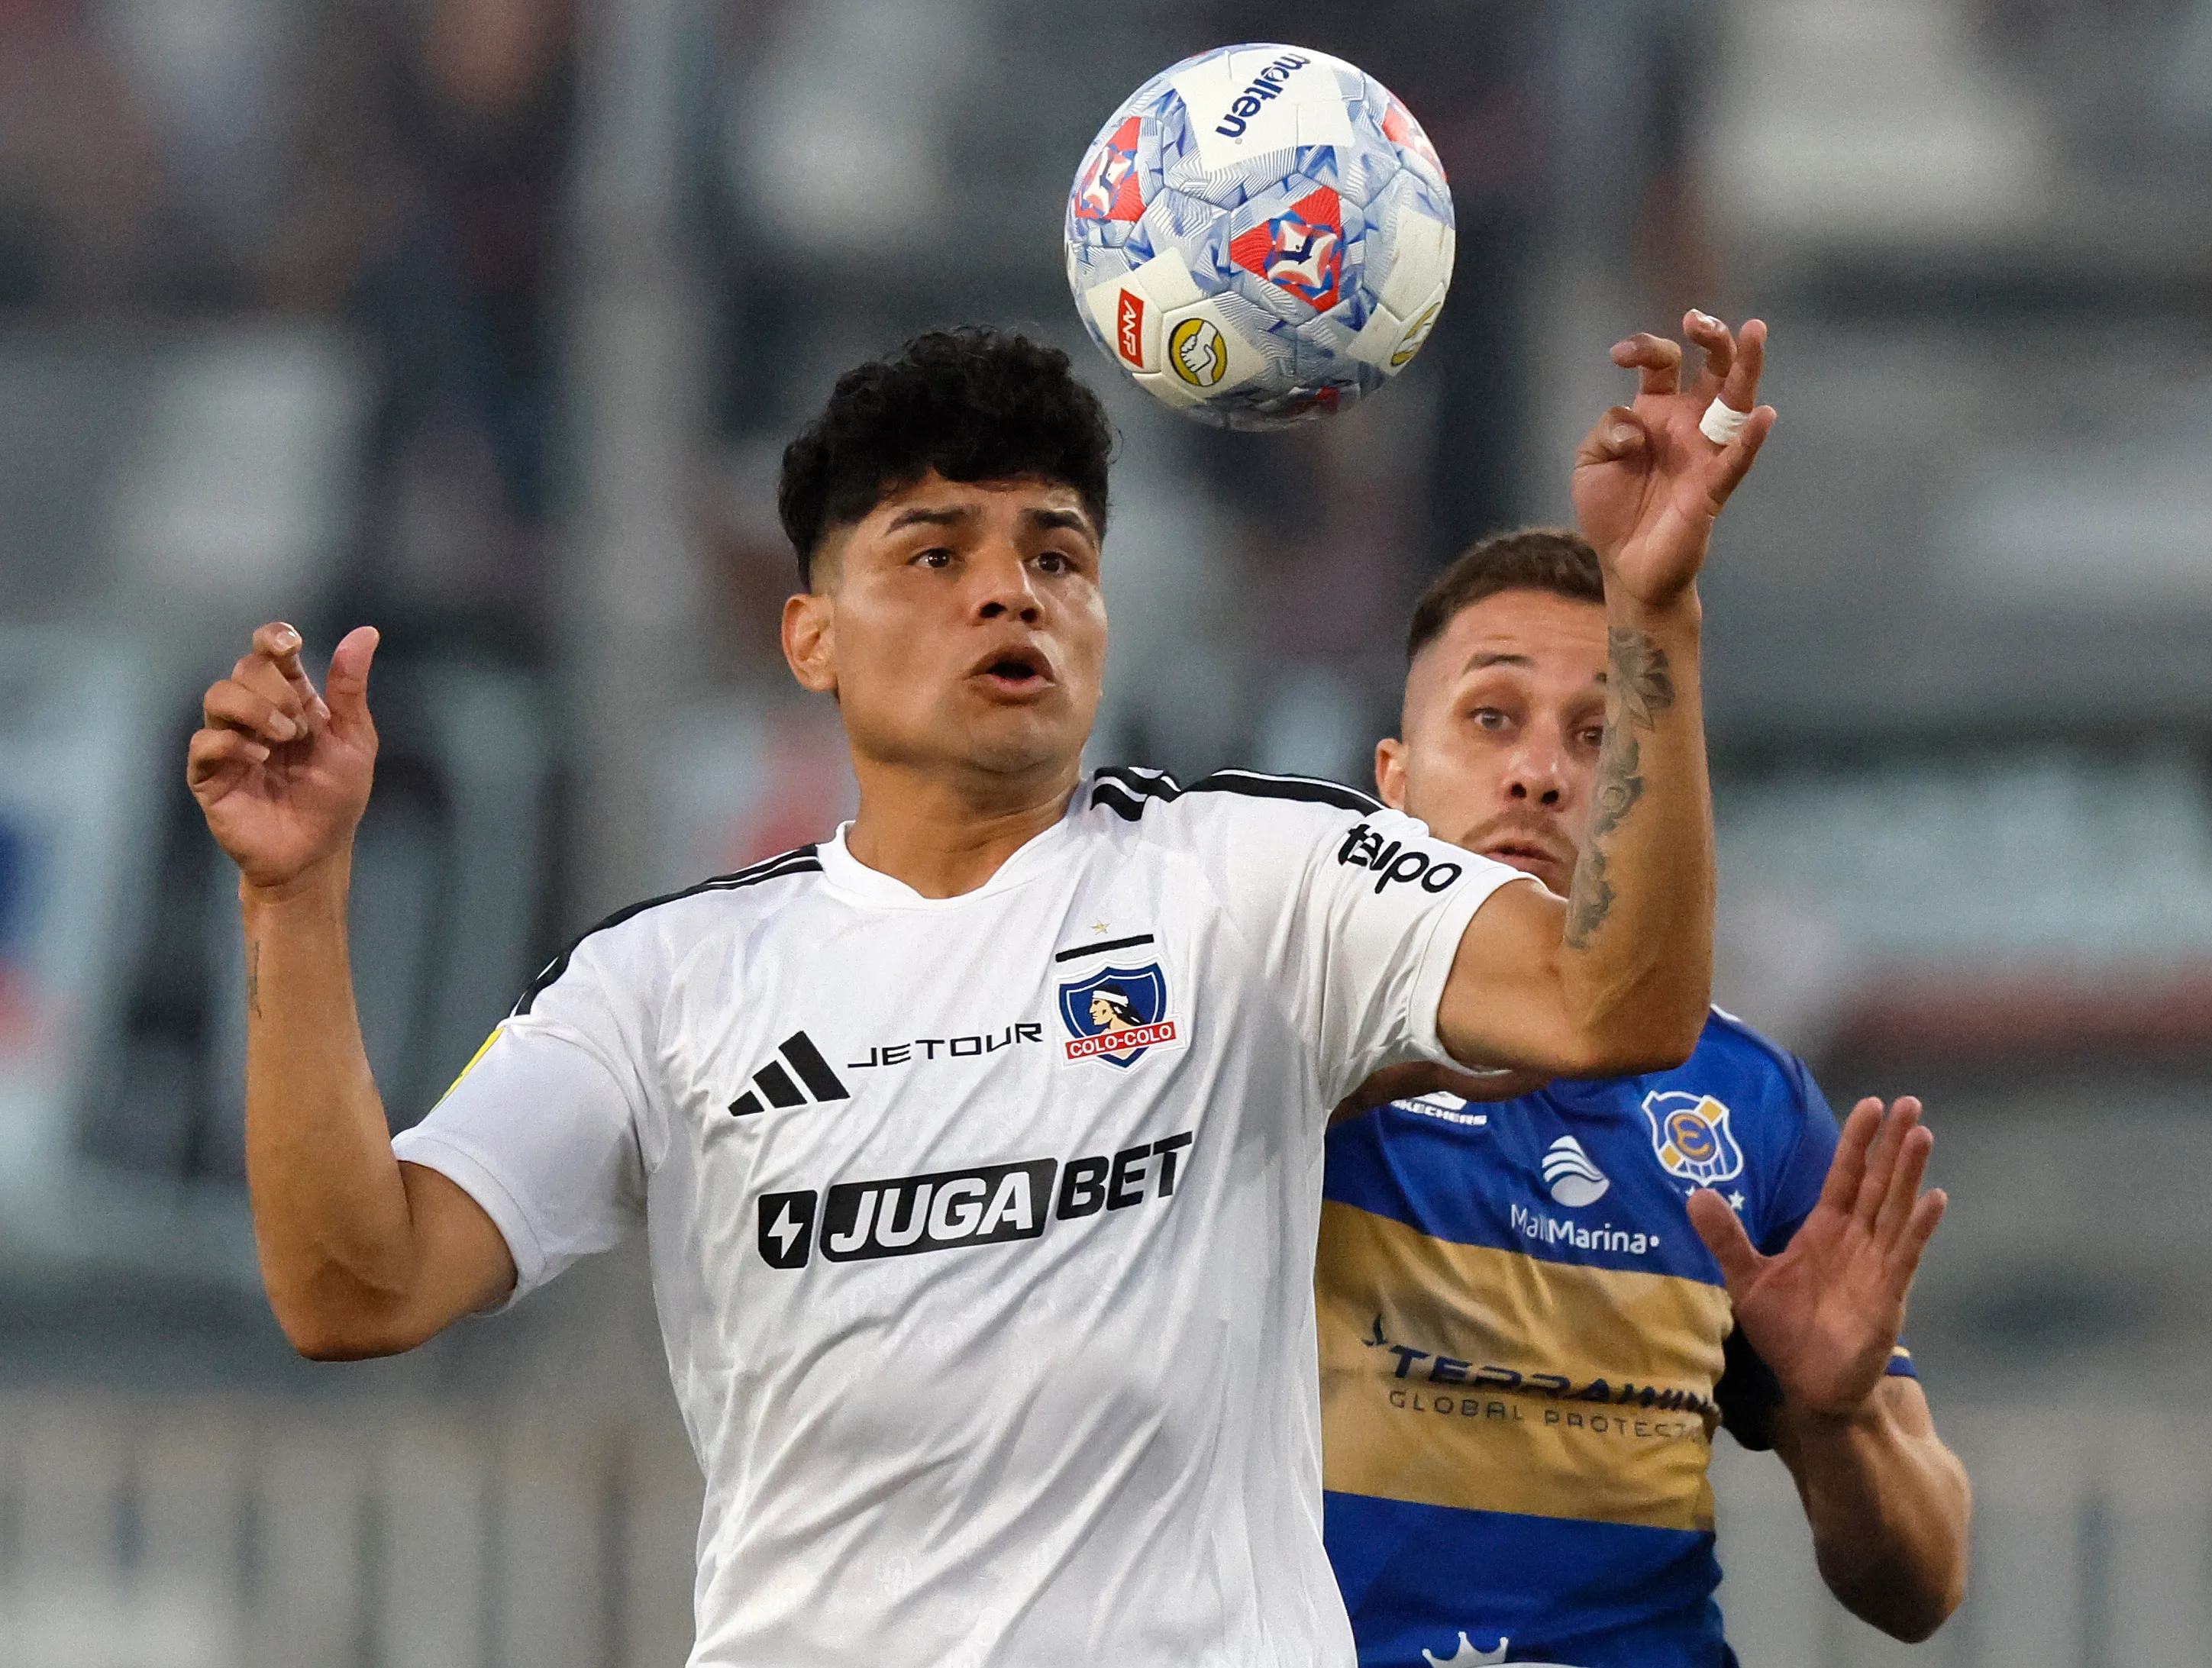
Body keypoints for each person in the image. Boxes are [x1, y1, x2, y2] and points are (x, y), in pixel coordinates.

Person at [182, 317, 1773, 1665]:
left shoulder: (1257, 881)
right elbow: (358, 1287)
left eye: (1056, 556)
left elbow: (1610, 1008)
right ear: (811, 637)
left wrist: (1656, 615)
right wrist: (293, 899)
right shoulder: (665, 981)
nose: (1010, 592)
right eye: (935, 555)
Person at [1319, 529, 1969, 1666]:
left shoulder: (1748, 1100)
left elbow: (1924, 1587)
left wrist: (1841, 1418)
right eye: (1491, 718)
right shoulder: (1281, 1045)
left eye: (1600, 737)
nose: (1540, 774)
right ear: (1396, 778)